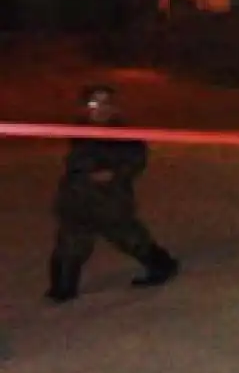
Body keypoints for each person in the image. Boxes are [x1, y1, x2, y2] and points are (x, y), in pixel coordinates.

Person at [45, 84, 179, 302]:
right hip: (77, 199)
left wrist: (115, 173)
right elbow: (76, 162)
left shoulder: (124, 134)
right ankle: (63, 288)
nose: (101, 108)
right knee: (70, 244)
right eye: (94, 103)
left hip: (110, 200)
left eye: (106, 103)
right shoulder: (78, 131)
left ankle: (162, 265)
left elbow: (137, 159)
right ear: (85, 107)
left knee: (129, 236)